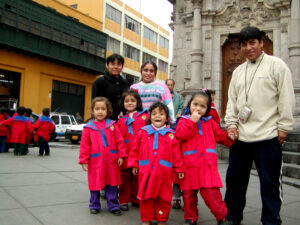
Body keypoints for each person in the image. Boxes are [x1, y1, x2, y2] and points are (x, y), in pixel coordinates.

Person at [224, 26, 295, 225]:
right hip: (241, 136)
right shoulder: (238, 71)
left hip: (269, 135)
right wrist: (230, 124)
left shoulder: (277, 65)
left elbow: (286, 97)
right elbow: (232, 101)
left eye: (252, 43)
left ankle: (271, 220)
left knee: (270, 184)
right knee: (235, 183)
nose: (249, 48)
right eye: (244, 44)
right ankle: (232, 217)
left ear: (261, 43)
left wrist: (284, 126)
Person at [175, 90, 233, 225]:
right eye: (195, 104)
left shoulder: (210, 122)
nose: (198, 108)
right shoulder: (183, 121)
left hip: (207, 166)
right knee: (188, 195)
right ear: (189, 105)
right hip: (189, 165)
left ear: (207, 109)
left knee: (212, 194)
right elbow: (181, 135)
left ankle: (221, 217)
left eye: (202, 106)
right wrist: (192, 122)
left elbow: (220, 136)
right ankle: (190, 217)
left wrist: (231, 138)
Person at [129, 102, 184, 225]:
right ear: (150, 117)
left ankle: (161, 218)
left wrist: (179, 169)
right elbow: (134, 150)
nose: (157, 116)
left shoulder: (171, 135)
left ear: (167, 118)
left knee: (163, 197)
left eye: (161, 114)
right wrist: (134, 164)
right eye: (154, 114)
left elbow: (177, 155)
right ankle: (146, 219)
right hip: (146, 172)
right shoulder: (142, 132)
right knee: (146, 196)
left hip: (164, 173)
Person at [78, 97, 127, 216]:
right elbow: (85, 146)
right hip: (96, 161)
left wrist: (121, 155)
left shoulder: (112, 125)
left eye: (103, 109)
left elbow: (120, 141)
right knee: (95, 184)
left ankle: (113, 205)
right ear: (92, 111)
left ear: (108, 111)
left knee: (112, 184)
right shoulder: (88, 128)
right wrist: (84, 160)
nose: (100, 111)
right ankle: (94, 205)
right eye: (97, 109)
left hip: (111, 161)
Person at [116, 90, 149, 211]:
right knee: (124, 179)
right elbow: (117, 139)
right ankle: (123, 199)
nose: (130, 103)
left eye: (133, 101)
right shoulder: (120, 120)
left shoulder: (145, 117)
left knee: (137, 178)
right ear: (123, 103)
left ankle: (136, 198)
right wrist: (120, 154)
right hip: (124, 154)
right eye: (127, 101)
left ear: (138, 102)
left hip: (139, 154)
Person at [165, 78, 184, 209]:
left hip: (175, 124)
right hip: (165, 123)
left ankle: (177, 198)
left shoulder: (178, 97)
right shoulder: (162, 95)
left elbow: (181, 107)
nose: (170, 87)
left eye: (172, 85)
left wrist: (178, 114)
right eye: (168, 85)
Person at [92, 53, 129, 121]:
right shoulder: (99, 82)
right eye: (113, 64)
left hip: (122, 120)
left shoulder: (125, 83)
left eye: (118, 64)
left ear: (122, 66)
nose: (116, 67)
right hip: (105, 121)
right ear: (107, 65)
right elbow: (94, 103)